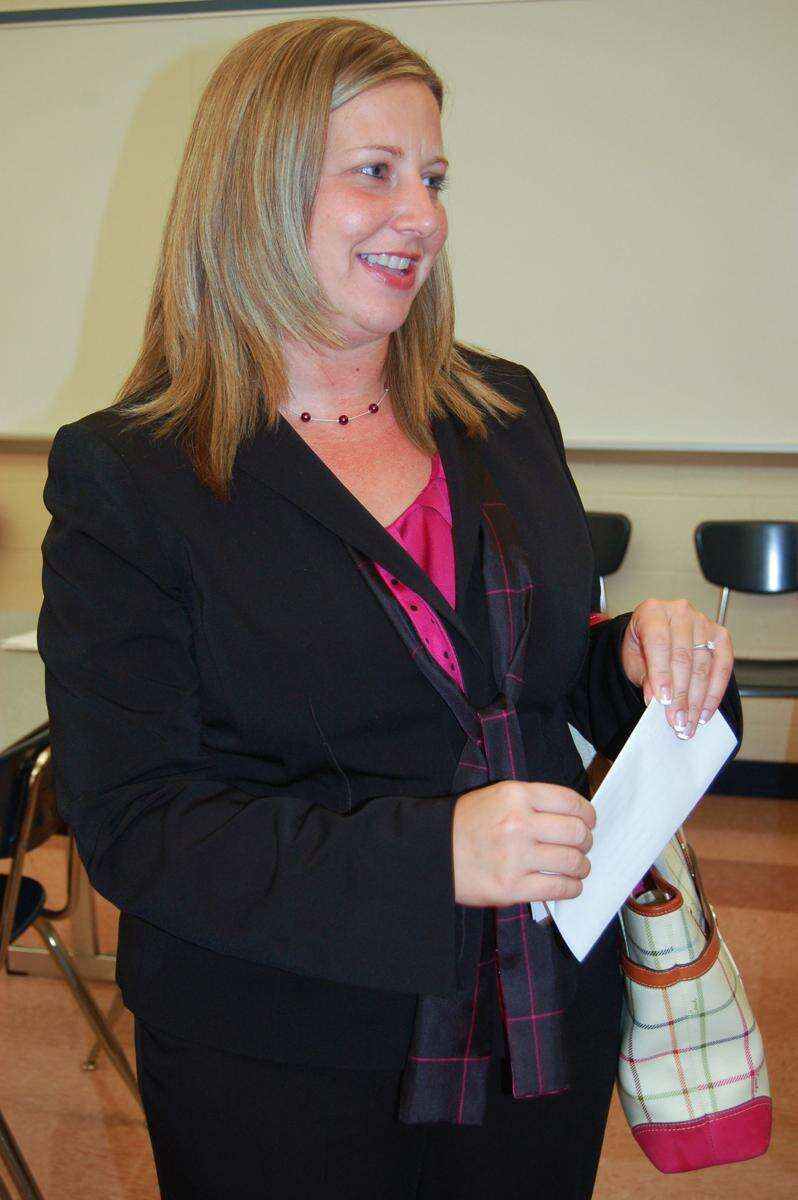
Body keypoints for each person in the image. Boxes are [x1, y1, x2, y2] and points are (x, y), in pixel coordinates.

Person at [38, 17, 739, 1200]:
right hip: (283, 1054)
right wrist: (433, 856)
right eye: (376, 172)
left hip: (539, 1013)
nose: (422, 215)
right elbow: (137, 822)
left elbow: (525, 679)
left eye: (435, 178)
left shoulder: (502, 410)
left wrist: (636, 659)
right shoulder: (133, 476)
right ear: (254, 193)